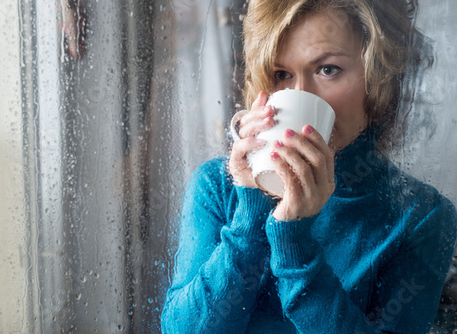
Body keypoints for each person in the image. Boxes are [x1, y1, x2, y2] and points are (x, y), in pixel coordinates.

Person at [161, 0, 457, 333]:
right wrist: (250, 216)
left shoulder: (423, 216)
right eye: (281, 74)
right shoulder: (219, 185)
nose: (301, 94)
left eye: (328, 69)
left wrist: (295, 246)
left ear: (377, 79)